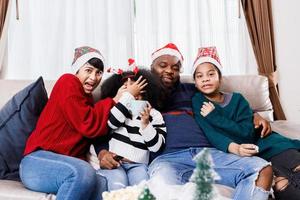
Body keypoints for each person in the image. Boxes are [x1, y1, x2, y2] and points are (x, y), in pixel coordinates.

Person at [97, 43, 273, 200]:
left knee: (261, 170)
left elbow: (226, 104)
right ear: (151, 68)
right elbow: (105, 126)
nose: (169, 71)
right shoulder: (139, 95)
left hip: (209, 154)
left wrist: (254, 115)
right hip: (167, 161)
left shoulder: (194, 89)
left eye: (175, 67)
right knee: (161, 190)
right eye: (163, 66)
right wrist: (102, 152)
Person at [19, 46, 146, 200]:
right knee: (83, 172)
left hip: (68, 166)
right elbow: (88, 124)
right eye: (88, 70)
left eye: (99, 73)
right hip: (37, 162)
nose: (93, 77)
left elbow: (98, 132)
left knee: (111, 188)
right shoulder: (68, 81)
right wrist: (116, 100)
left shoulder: (89, 102)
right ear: (77, 70)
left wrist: (103, 153)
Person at [191, 46, 300, 200]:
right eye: (199, 76)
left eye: (211, 74)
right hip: (251, 157)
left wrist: (215, 117)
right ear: (195, 82)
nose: (205, 79)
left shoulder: (237, 99)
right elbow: (212, 134)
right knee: (283, 186)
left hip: (269, 144)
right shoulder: (198, 102)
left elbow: (246, 134)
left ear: (220, 78)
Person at [95, 59, 167, 191]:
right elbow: (112, 123)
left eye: (140, 93)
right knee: (116, 185)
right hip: (115, 162)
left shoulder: (155, 115)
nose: (136, 97)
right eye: (131, 93)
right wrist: (127, 98)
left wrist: (146, 124)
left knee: (141, 189)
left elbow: (156, 147)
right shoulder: (118, 110)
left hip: (138, 165)